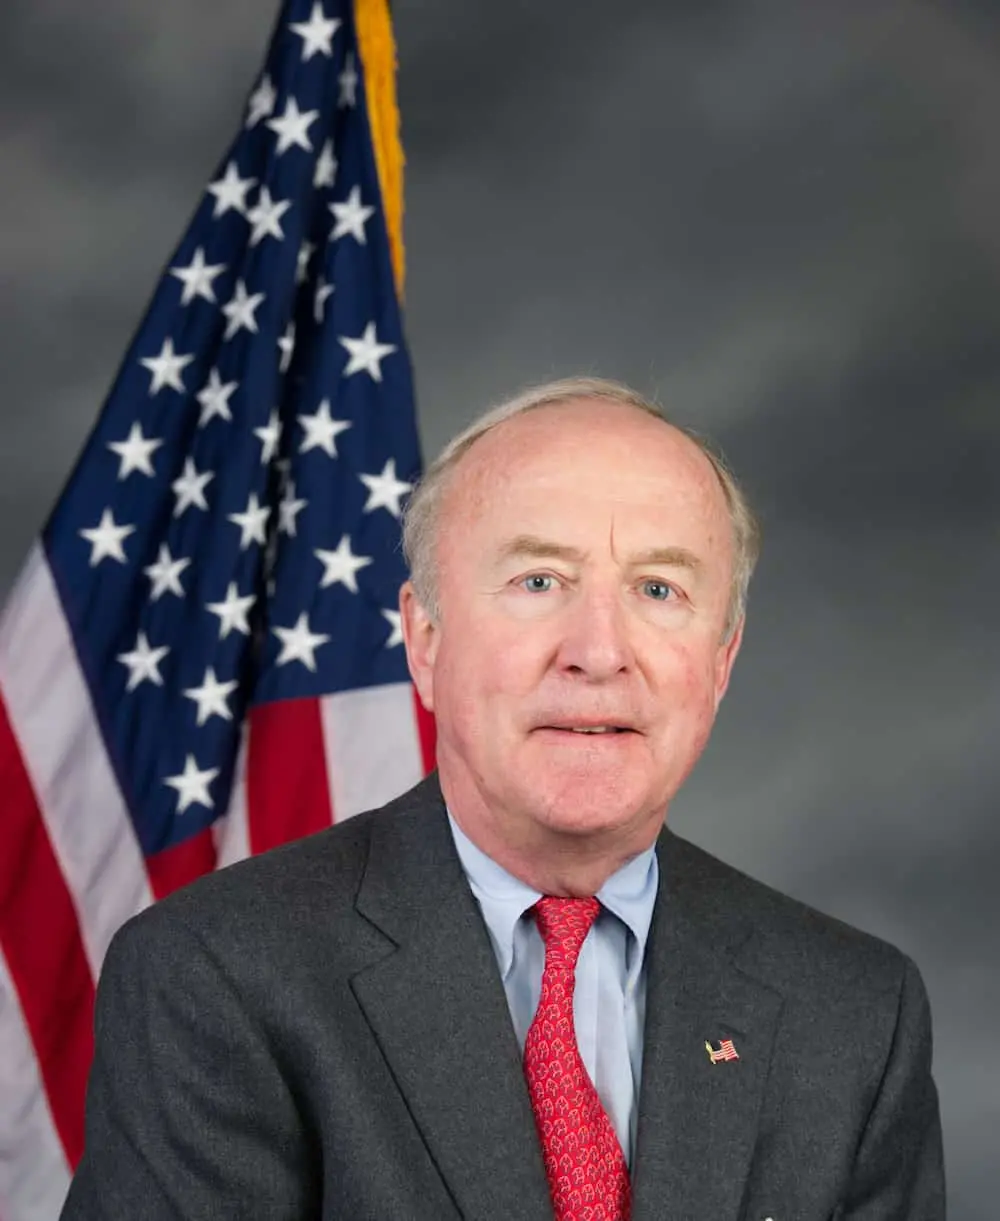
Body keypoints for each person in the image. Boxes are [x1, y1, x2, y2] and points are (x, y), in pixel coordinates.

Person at [62, 377, 945, 1220]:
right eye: (538, 581)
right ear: (425, 639)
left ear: (720, 661)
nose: (599, 651)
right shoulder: (216, 977)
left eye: (659, 589)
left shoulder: (855, 1014)